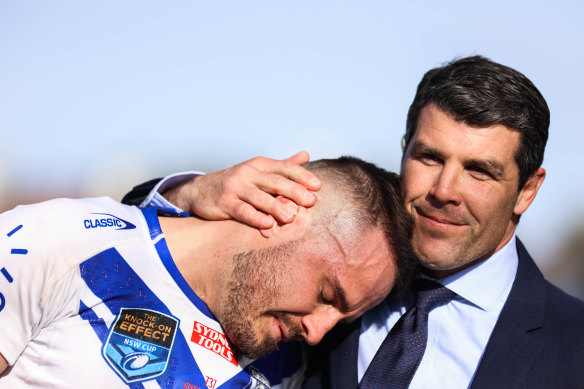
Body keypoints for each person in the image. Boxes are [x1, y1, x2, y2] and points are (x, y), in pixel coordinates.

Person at [123, 56, 584, 388]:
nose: (445, 190)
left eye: (479, 171)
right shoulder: (324, 261)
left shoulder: (573, 347)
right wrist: (189, 192)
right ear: (404, 149)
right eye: (429, 157)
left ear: (527, 188)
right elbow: (167, 254)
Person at [0, 157, 417, 388]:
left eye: (343, 319)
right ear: (280, 207)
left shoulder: (288, 365)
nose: (318, 332)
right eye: (328, 295)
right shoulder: (59, 241)